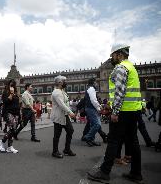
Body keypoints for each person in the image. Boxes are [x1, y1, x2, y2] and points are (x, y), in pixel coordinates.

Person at [87, 44, 143, 183]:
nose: (111, 57)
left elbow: (119, 92)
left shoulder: (120, 68)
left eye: (112, 55)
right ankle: (136, 173)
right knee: (133, 141)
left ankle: (104, 172)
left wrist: (115, 111)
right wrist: (109, 105)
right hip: (134, 110)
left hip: (123, 111)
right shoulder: (132, 67)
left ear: (119, 54)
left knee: (113, 141)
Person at [51, 75, 76, 158]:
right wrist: (70, 112)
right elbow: (61, 104)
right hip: (58, 116)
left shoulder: (62, 91)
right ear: (60, 82)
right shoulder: (56, 92)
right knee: (57, 134)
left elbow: (66, 103)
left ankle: (67, 149)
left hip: (64, 116)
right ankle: (55, 151)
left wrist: (69, 112)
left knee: (70, 130)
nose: (66, 82)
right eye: (65, 81)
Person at [0, 79, 20, 153]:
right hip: (8, 112)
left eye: (13, 85)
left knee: (13, 130)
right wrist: (11, 94)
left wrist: (20, 114)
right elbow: (6, 102)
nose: (12, 87)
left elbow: (17, 103)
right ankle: (2, 141)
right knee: (12, 129)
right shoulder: (5, 93)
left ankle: (10, 147)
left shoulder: (16, 93)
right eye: (10, 85)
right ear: (8, 85)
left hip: (16, 112)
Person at [82, 78, 103, 146]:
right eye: (96, 82)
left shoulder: (90, 89)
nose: (97, 84)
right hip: (91, 108)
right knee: (97, 124)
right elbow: (93, 100)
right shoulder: (91, 89)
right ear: (93, 82)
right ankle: (88, 137)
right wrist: (98, 108)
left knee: (93, 125)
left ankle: (91, 139)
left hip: (90, 108)